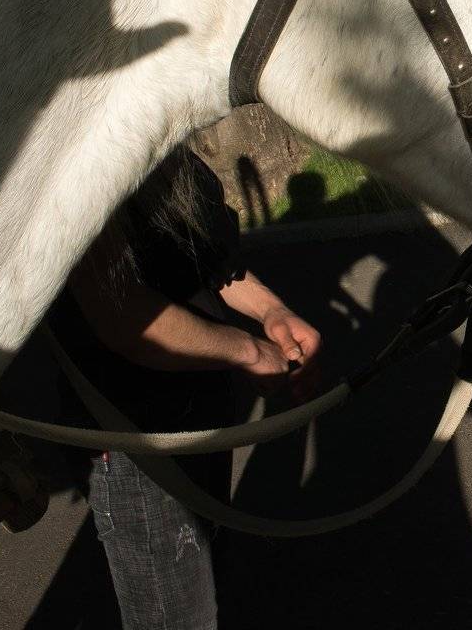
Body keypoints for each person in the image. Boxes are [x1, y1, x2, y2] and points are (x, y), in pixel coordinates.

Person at [54, 148, 322, 630]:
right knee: (177, 618)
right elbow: (123, 314)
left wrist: (270, 310)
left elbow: (199, 256)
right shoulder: (74, 159)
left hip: (200, 412)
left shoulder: (161, 145)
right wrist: (249, 351)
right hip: (139, 437)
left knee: (205, 585)